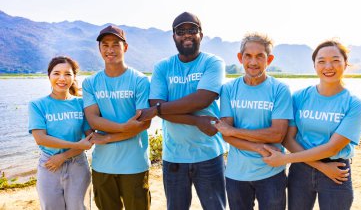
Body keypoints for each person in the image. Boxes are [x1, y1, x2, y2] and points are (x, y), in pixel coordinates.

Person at [263, 40, 361, 210]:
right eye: (321, 61)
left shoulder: (355, 104)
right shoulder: (299, 97)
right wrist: (321, 167)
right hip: (301, 170)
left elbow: (332, 148)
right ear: (314, 65)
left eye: (335, 60)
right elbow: (288, 139)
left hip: (337, 171)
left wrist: (285, 159)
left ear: (345, 64)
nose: (328, 66)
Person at [139, 12, 228, 210]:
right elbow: (156, 104)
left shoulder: (213, 63)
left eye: (192, 30)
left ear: (201, 35)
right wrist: (196, 121)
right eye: (181, 31)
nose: (186, 35)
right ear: (174, 37)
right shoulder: (163, 67)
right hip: (174, 156)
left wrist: (159, 109)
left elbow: (202, 99)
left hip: (209, 154)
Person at [214, 33, 293, 210]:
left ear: (269, 59)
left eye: (260, 56)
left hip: (271, 170)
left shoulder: (280, 90)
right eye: (248, 56)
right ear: (240, 58)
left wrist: (233, 130)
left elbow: (277, 134)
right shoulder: (228, 89)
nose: (253, 62)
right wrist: (258, 147)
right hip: (236, 173)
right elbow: (226, 136)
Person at [82, 25, 153, 210]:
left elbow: (143, 123)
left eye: (115, 44)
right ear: (99, 49)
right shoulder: (90, 82)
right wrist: (124, 127)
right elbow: (93, 119)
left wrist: (107, 137)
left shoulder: (140, 80)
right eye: (105, 45)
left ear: (125, 47)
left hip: (134, 164)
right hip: (102, 164)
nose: (110, 49)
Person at [28, 56, 93, 210]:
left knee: (79, 207)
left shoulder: (81, 104)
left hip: (78, 164)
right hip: (49, 165)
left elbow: (89, 139)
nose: (62, 78)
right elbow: (40, 138)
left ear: (74, 77)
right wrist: (75, 144)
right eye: (56, 73)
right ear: (49, 76)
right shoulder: (38, 105)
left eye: (68, 74)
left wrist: (64, 156)